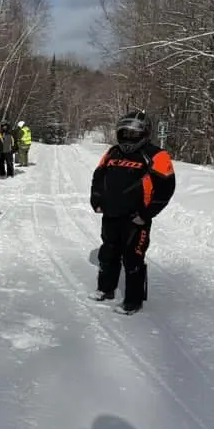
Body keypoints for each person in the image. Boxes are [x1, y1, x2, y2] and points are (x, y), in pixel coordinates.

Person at [88, 111, 176, 314]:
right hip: (111, 214)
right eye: (124, 133)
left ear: (144, 133)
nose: (128, 138)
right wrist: (97, 199)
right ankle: (105, 289)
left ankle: (133, 301)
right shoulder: (112, 152)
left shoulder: (156, 155)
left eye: (133, 134)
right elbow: (98, 177)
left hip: (136, 218)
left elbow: (166, 189)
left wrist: (147, 214)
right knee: (108, 253)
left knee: (133, 258)